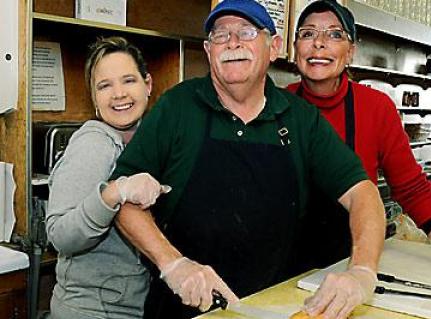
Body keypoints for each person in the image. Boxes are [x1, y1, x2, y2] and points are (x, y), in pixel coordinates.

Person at [111, 1, 385, 318]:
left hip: (272, 306)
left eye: (246, 31)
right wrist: (173, 264)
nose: (233, 43)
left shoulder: (299, 118)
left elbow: (362, 192)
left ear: (274, 47)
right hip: (183, 308)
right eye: (220, 35)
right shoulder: (178, 107)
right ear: (208, 49)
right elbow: (123, 197)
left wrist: (362, 271)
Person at [287, 0, 431, 277]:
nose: (319, 43)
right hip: (282, 265)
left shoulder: (375, 107)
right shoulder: (277, 104)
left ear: (351, 51)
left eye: (334, 34)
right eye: (308, 33)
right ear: (295, 48)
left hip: (353, 262)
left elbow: (412, 189)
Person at [46, 36, 170, 319]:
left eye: (128, 80)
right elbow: (60, 235)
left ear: (148, 84)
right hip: (92, 310)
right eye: (105, 85)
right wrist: (114, 193)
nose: (119, 94)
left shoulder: (147, 141)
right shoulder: (94, 143)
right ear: (94, 98)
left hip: (129, 306)